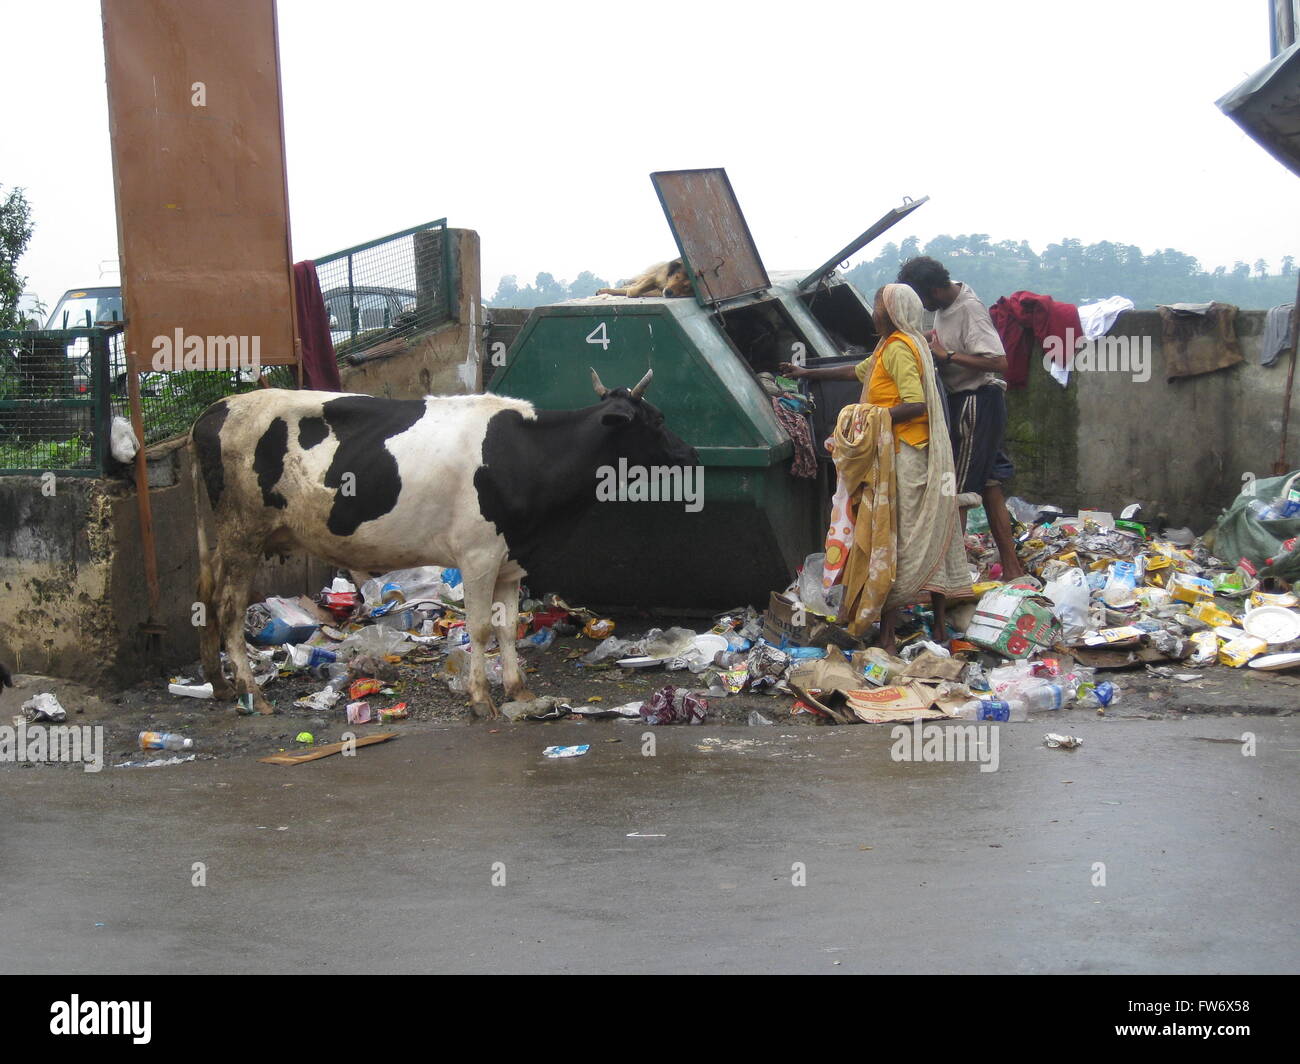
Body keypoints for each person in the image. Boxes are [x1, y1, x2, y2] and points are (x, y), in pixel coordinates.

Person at [782, 284, 971, 650]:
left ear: (893, 312)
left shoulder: (901, 348)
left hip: (906, 454)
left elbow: (915, 404)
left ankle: (887, 635)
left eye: (877, 306)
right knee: (923, 537)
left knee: (890, 537)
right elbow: (858, 372)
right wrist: (806, 373)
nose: (873, 312)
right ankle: (941, 631)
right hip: (903, 450)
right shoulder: (891, 346)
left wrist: (867, 419)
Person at [897, 255, 1025, 579]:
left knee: (957, 490)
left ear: (935, 291)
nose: (923, 306)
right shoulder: (944, 310)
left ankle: (951, 578)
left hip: (975, 401)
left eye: (922, 298)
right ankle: (1011, 567)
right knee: (991, 484)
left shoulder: (969, 308)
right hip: (977, 403)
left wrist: (948, 356)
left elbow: (998, 361)